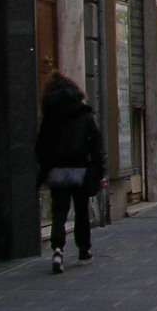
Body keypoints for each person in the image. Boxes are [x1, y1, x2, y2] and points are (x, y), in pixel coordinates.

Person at [35, 73, 106, 274]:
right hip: (80, 169)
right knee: (81, 210)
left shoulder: (50, 117)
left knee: (59, 211)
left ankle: (58, 249)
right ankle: (84, 251)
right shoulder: (84, 115)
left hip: (58, 170)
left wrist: (45, 167)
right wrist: (99, 170)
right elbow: (97, 144)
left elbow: (41, 145)